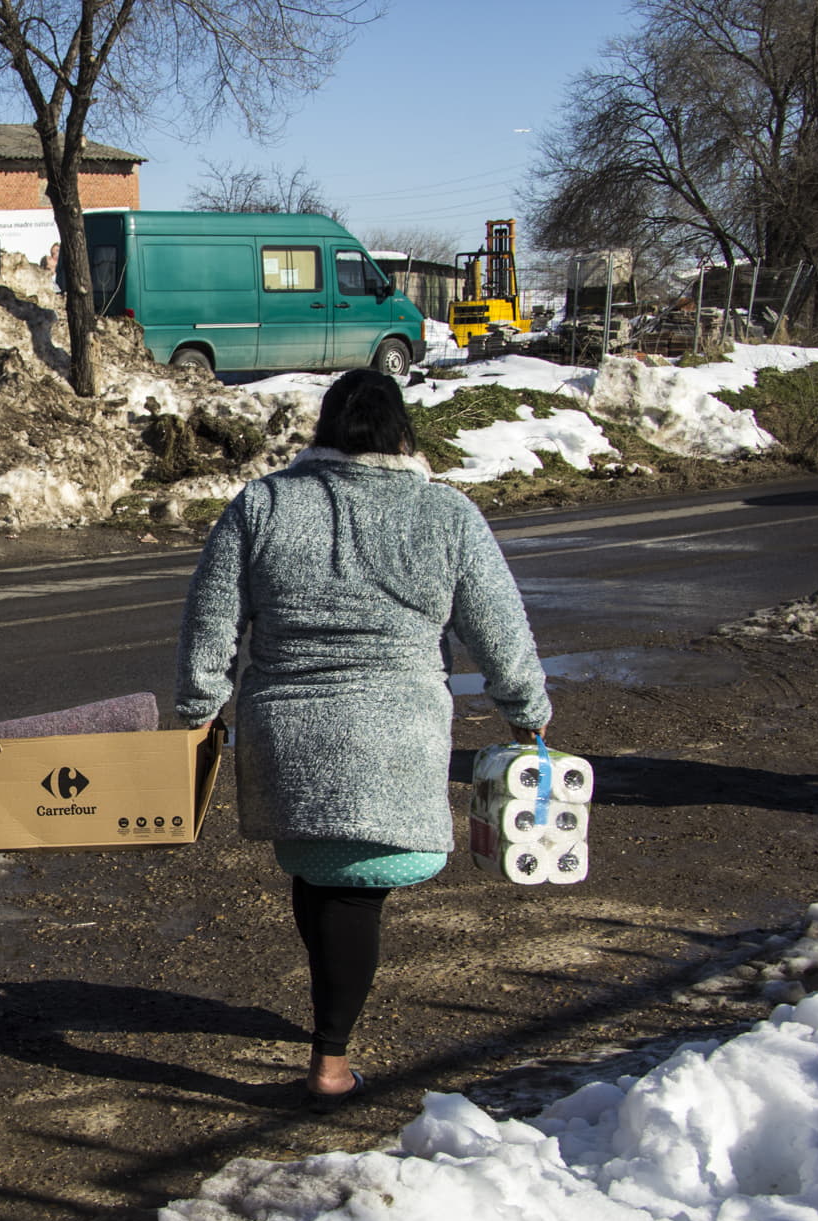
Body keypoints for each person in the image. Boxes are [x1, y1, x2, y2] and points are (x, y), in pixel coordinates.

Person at [174, 368, 550, 1112]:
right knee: (352, 894)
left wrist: (200, 711)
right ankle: (331, 1060)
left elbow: (209, 620)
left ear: (324, 432)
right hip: (398, 733)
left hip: (288, 736)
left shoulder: (265, 503)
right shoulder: (447, 513)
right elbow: (500, 631)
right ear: (401, 434)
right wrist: (527, 714)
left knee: (323, 876)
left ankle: (329, 1016)